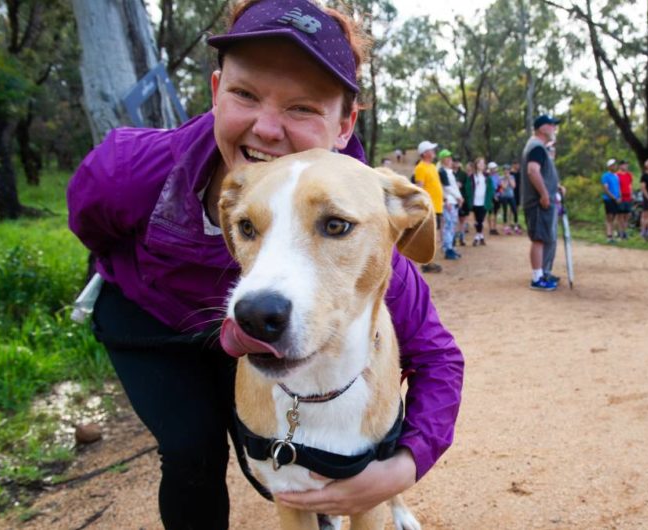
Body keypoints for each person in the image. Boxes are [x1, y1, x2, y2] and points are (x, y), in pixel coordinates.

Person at [66, 1, 464, 527]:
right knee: (191, 450)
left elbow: (438, 358)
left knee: (271, 467)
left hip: (256, 322)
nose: (268, 129)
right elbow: (90, 225)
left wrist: (401, 470)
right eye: (245, 95)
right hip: (150, 318)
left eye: (302, 107)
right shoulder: (124, 172)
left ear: (344, 124)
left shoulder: (365, 211)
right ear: (215, 94)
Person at [520, 114, 562, 291]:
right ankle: (537, 278)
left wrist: (555, 187)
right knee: (539, 238)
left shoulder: (540, 147)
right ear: (542, 128)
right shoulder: (536, 147)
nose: (554, 129)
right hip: (538, 202)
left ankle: (544, 272)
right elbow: (533, 171)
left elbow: (542, 172)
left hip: (544, 200)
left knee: (546, 237)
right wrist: (544, 194)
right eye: (552, 125)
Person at [413, 140, 444, 273]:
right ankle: (425, 263)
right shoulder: (420, 167)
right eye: (431, 150)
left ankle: (428, 262)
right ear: (425, 153)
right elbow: (420, 188)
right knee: (429, 236)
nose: (434, 151)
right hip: (429, 207)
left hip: (437, 206)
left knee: (434, 236)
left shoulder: (431, 166)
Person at [438, 149, 463, 260]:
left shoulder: (450, 172)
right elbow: (445, 187)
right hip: (448, 202)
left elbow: (454, 187)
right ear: (442, 159)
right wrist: (453, 198)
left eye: (450, 158)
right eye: (447, 158)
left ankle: (451, 247)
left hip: (454, 201)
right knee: (448, 225)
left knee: (452, 225)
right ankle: (447, 249)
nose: (450, 160)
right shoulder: (442, 171)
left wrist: (459, 197)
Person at [464, 157, 493, 246]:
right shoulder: (472, 177)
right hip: (475, 201)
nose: (482, 165)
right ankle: (480, 237)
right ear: (476, 165)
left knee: (480, 219)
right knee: (477, 219)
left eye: (483, 163)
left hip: (484, 201)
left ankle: (477, 237)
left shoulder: (487, 177)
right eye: (480, 163)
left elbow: (490, 189)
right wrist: (469, 198)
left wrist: (490, 198)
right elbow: (467, 188)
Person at [601, 159, 621, 244]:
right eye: (612, 165)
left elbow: (618, 188)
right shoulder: (605, 176)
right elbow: (606, 189)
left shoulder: (616, 176)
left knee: (614, 217)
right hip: (609, 199)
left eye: (615, 165)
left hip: (616, 199)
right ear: (609, 166)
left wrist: (619, 197)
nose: (614, 166)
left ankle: (612, 235)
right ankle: (609, 236)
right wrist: (614, 198)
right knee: (609, 217)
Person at [616, 160, 634, 240]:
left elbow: (630, 185)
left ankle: (624, 232)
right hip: (621, 197)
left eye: (627, 165)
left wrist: (632, 194)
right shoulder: (617, 175)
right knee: (620, 216)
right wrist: (618, 196)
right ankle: (620, 232)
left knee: (627, 215)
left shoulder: (629, 175)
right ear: (620, 166)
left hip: (628, 197)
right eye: (624, 165)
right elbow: (617, 186)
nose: (626, 167)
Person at [500, 163, 520, 234]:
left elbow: (513, 186)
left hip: (511, 196)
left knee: (515, 210)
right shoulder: (501, 178)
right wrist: (506, 179)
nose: (506, 171)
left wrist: (508, 178)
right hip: (504, 196)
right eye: (505, 170)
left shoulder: (512, 177)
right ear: (503, 171)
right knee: (505, 211)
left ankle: (516, 226)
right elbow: (504, 187)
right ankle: (506, 226)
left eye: (507, 170)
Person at [454, 159, 470, 246]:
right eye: (454, 161)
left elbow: (464, 186)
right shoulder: (449, 172)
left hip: (462, 198)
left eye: (457, 161)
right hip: (453, 200)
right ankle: (454, 237)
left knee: (462, 219)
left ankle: (461, 237)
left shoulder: (463, 174)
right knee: (454, 220)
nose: (456, 163)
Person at [487, 161, 502, 235]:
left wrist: (498, 194)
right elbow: (489, 188)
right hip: (490, 196)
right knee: (490, 212)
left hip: (497, 195)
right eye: (492, 168)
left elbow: (500, 186)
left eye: (495, 168)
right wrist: (493, 195)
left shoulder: (497, 176)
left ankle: (494, 228)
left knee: (495, 212)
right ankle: (490, 228)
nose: (494, 170)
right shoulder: (487, 177)